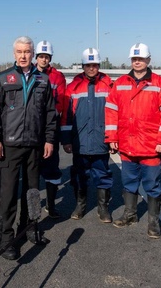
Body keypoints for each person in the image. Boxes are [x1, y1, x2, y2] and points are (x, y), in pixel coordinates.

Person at [0, 36, 57, 260]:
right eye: (20, 51)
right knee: (8, 194)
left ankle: (28, 229)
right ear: (14, 53)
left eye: (27, 51)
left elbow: (49, 113)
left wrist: (48, 139)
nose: (24, 55)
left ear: (33, 53)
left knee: (32, 192)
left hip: (35, 145)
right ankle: (7, 239)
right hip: (9, 145)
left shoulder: (43, 80)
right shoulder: (2, 79)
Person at [105, 43, 161, 238]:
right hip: (127, 144)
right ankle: (130, 214)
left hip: (151, 145)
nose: (137, 62)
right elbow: (111, 111)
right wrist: (112, 137)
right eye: (134, 59)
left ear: (148, 60)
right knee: (129, 183)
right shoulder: (120, 83)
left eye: (141, 59)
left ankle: (153, 222)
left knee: (152, 184)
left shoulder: (160, 83)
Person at [61, 48, 114, 224]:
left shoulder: (109, 86)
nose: (92, 68)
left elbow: (115, 114)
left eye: (94, 65)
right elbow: (66, 116)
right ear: (83, 66)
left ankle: (103, 208)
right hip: (80, 141)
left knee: (103, 174)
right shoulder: (73, 87)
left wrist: (114, 138)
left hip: (101, 140)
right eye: (88, 65)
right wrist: (67, 140)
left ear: (99, 66)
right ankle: (80, 205)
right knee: (79, 175)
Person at [35, 40, 66, 219]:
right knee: (32, 169)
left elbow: (61, 102)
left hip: (49, 129)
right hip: (31, 130)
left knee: (51, 167)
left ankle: (51, 204)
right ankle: (32, 208)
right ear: (36, 57)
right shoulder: (29, 73)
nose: (44, 59)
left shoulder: (58, 76)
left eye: (47, 57)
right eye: (41, 56)